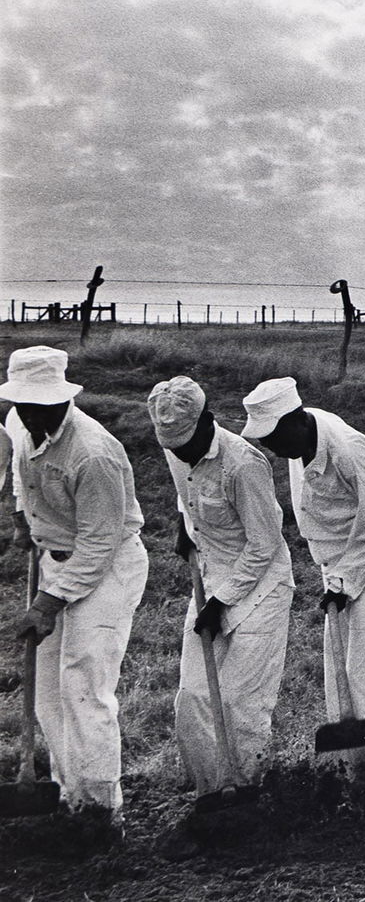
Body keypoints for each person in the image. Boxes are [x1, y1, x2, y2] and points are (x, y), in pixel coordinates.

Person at [2, 346, 148, 844]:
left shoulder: (93, 452)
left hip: (107, 568)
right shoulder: (20, 422)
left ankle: (102, 813)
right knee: (48, 692)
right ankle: (70, 799)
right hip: (55, 560)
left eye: (40, 405)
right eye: (23, 404)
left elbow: (99, 544)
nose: (30, 414)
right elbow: (20, 472)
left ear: (63, 399)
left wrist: (48, 603)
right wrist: (23, 518)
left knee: (84, 685)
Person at [243, 377, 365, 787]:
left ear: (296, 420)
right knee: (339, 678)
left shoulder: (349, 449)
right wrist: (336, 579)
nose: (272, 449)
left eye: (274, 439)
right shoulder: (299, 439)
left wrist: (345, 579)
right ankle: (355, 775)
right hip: (339, 567)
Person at [150, 377, 294, 801]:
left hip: (261, 588)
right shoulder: (177, 447)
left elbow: (265, 544)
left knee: (239, 702)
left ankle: (246, 794)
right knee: (193, 698)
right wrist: (184, 525)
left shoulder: (243, 465)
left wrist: (222, 602)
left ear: (207, 421)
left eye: (185, 445)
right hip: (210, 577)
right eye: (172, 446)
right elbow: (186, 494)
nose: (179, 454)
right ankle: (211, 796)